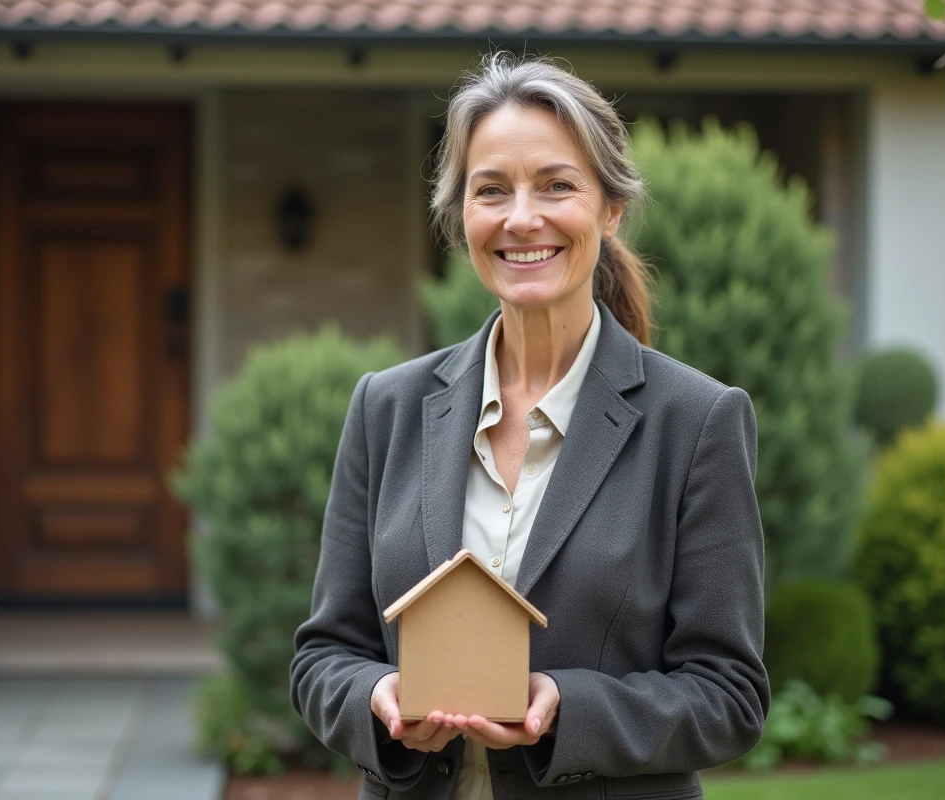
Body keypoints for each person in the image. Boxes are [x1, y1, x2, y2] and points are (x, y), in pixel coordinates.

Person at [290, 53, 769, 800]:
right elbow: (325, 656)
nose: (522, 217)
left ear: (610, 210)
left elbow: (729, 694)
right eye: (491, 190)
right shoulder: (385, 408)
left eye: (556, 186)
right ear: (461, 220)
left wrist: (568, 708)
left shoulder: (697, 421)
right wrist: (376, 701)